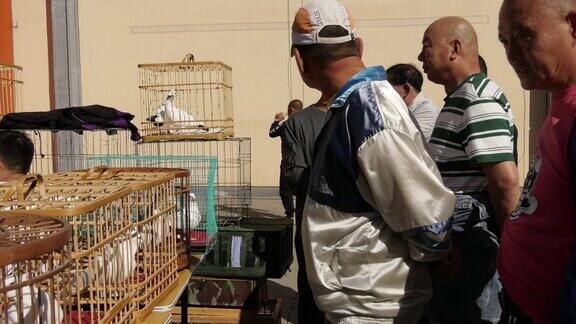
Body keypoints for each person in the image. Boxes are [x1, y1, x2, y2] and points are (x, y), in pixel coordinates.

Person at [291, 1, 456, 323]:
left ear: (300, 60)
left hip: (373, 304)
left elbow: (426, 220)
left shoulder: (370, 110)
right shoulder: (356, 106)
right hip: (361, 298)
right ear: (359, 46)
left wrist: (438, 256)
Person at [418, 17, 520, 323]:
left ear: (454, 48)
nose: (421, 56)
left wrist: (513, 249)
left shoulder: (477, 99)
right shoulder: (460, 99)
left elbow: (504, 182)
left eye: (426, 45)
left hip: (471, 236)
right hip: (457, 232)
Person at [498, 0, 576, 322]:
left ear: (573, 26)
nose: (511, 53)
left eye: (523, 34)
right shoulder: (561, 101)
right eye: (505, 40)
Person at [281, 100, 328, 323]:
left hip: (311, 223)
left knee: (311, 289)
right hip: (356, 233)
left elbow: (295, 178)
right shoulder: (370, 113)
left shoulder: (297, 123)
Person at [386, 63, 439, 142]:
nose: (384, 95)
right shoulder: (402, 110)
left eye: (388, 90)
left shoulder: (427, 112)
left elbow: (399, 143)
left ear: (406, 90)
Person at [269, 99, 303, 218]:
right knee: (303, 189)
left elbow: (272, 133)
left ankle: (290, 213)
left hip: (288, 161)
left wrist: (277, 120)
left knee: (285, 189)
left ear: (291, 109)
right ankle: (302, 213)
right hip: (304, 161)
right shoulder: (306, 121)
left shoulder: (286, 123)